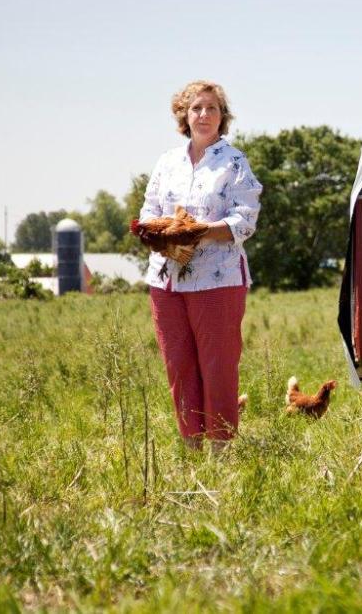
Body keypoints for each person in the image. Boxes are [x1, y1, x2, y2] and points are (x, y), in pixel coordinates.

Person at [138, 80, 262, 449]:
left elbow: (246, 219)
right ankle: (192, 447)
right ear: (184, 115)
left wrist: (200, 231)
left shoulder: (234, 161)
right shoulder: (167, 162)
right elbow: (150, 209)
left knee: (218, 365)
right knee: (178, 364)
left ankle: (221, 451)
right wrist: (158, 231)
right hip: (166, 280)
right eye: (197, 108)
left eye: (212, 108)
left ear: (222, 117)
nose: (204, 114)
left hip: (218, 278)